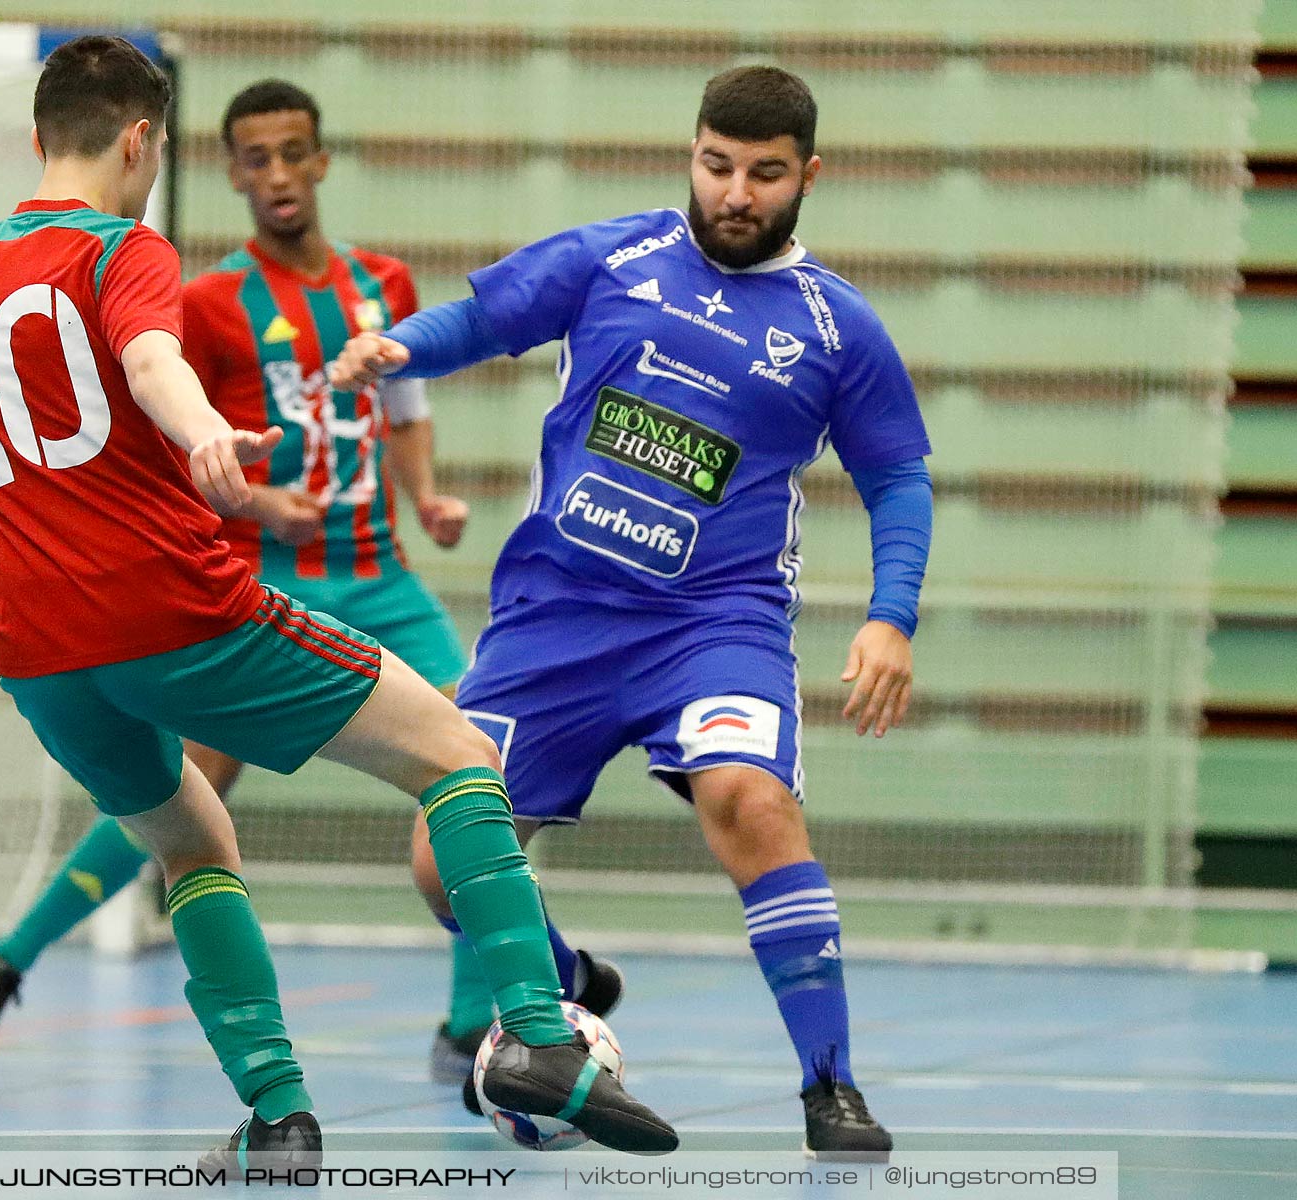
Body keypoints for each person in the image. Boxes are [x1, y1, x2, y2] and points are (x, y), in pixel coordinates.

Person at [0, 35, 676, 1162]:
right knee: (462, 759)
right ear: (142, 144)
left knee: (192, 839)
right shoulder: (124, 251)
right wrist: (207, 439)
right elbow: (147, 364)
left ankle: (277, 1117)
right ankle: (531, 1035)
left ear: (37, 139)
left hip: (36, 653)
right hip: (173, 614)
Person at [330, 64, 932, 1161]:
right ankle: (566, 986)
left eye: (762, 174)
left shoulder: (834, 326)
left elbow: (897, 478)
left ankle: (829, 1087)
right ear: (690, 156)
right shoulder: (613, 256)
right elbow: (484, 317)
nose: (734, 193)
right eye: (715, 166)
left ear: (806, 177)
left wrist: (890, 614)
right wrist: (400, 347)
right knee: (437, 854)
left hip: (714, 622)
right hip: (555, 614)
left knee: (749, 803)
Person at [0, 77, 491, 1079]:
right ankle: (8, 959)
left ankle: (467, 1029)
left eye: (293, 153)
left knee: (470, 762)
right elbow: (137, 413)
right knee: (178, 808)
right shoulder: (199, 298)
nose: (276, 174)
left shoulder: (385, 284)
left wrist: (427, 496)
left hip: (381, 577)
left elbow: (403, 408)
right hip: (256, 584)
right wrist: (244, 503)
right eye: (254, 158)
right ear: (230, 172)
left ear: (320, 160)